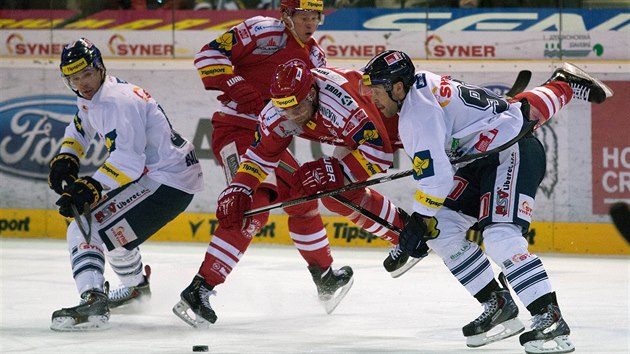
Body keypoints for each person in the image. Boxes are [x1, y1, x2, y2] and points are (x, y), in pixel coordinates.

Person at [361, 50, 612, 353]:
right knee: (441, 228)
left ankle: (550, 316)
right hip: (484, 155)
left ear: (397, 87)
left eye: (376, 90)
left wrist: (418, 222)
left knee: (500, 238)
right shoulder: (422, 84)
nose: (372, 98)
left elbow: (437, 178)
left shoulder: (416, 114)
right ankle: (498, 302)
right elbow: (519, 109)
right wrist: (425, 221)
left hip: (511, 152)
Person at [172, 0, 356, 327]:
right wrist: (235, 84)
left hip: (268, 141)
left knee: (302, 195)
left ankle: (324, 275)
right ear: (286, 15)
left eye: (315, 16)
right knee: (251, 201)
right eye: (303, 15)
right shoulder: (261, 30)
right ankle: (200, 288)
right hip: (235, 128)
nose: (310, 22)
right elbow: (208, 56)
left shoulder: (315, 58)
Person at [48, 37, 203, 331]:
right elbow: (81, 127)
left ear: (100, 68)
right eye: (74, 78)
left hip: (166, 182)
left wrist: (91, 187)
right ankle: (135, 290)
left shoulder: (119, 101)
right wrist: (67, 157)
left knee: (85, 225)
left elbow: (128, 161)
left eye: (87, 74)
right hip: (167, 178)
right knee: (112, 229)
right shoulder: (99, 95)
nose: (82, 83)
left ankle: (93, 296)